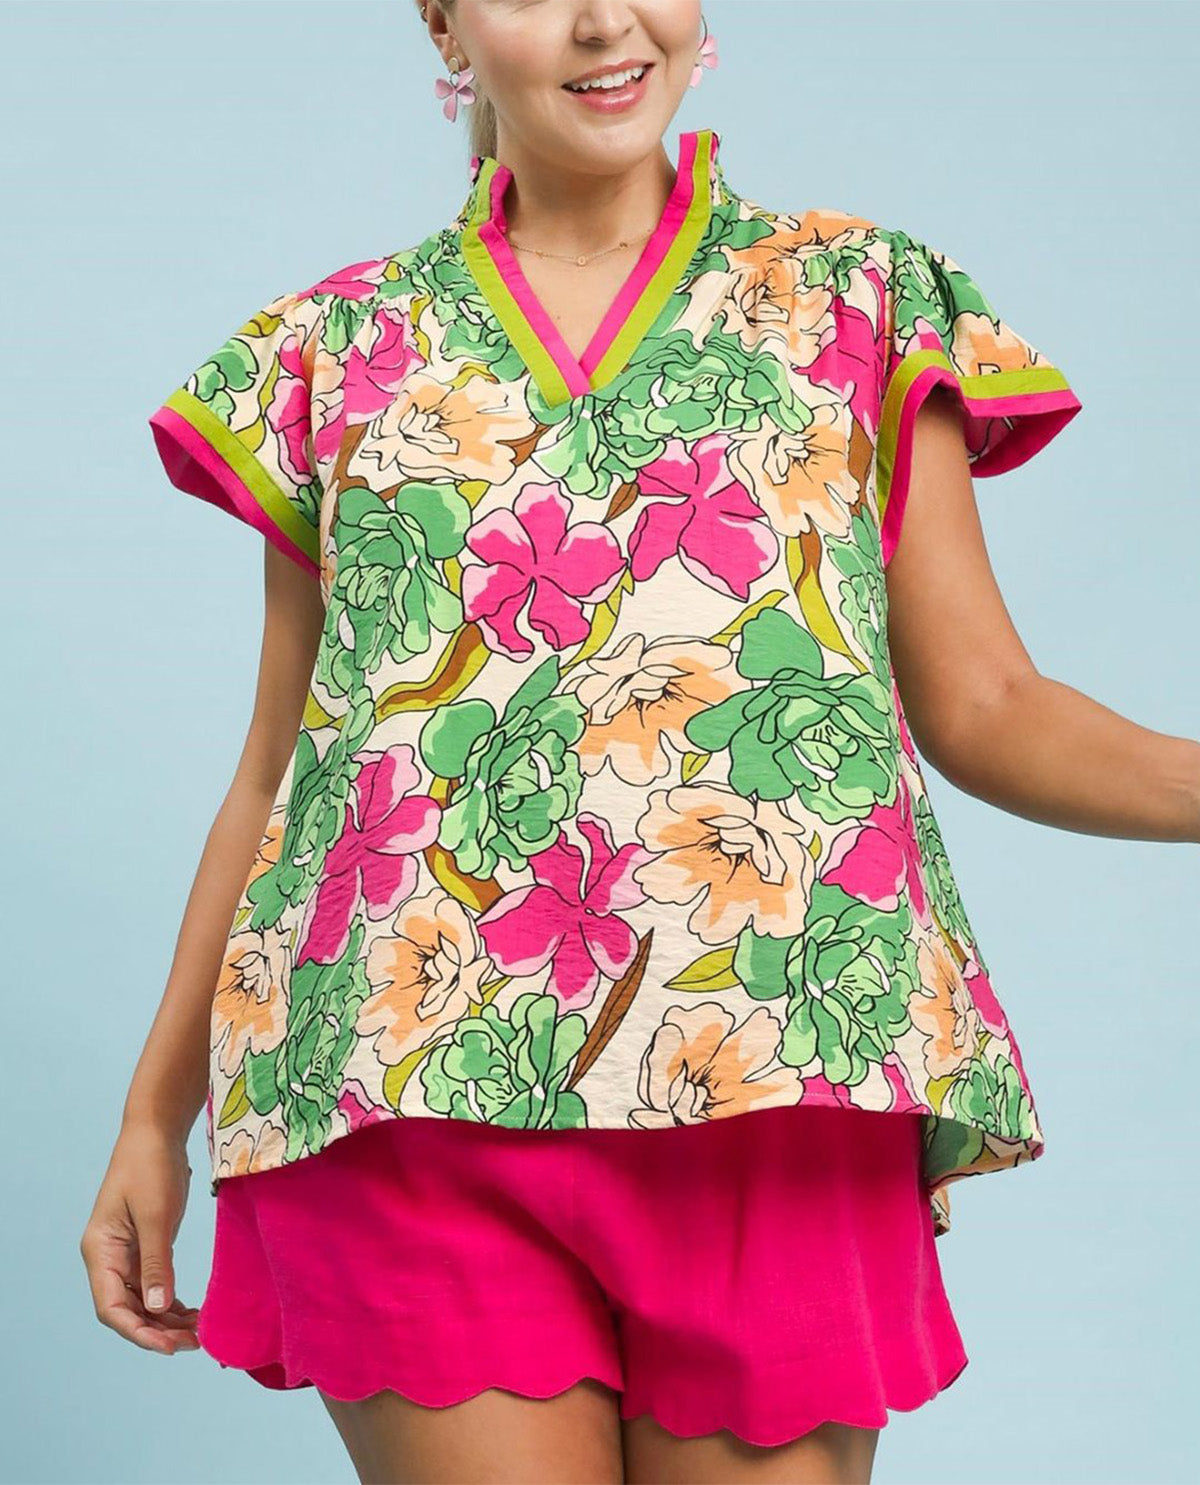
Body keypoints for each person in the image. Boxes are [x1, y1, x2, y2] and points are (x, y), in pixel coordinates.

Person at [81, 2, 1200, 1482]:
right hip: (403, 1094)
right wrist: (153, 1115)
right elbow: (283, 771)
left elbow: (988, 704)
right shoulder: (332, 350)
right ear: (444, 21)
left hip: (781, 1080)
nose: (606, 19)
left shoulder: (860, 299)